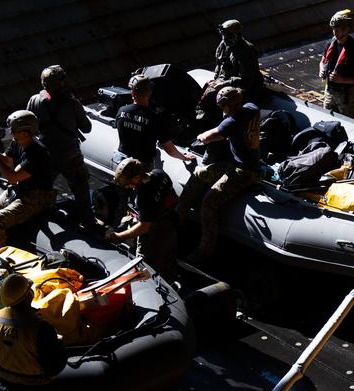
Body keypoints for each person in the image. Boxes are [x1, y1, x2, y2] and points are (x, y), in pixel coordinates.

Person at [177, 87, 259, 263]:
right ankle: (180, 218)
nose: (222, 109)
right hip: (236, 164)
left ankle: (206, 250)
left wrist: (200, 136)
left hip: (243, 171)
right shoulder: (251, 108)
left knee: (209, 202)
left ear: (228, 106)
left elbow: (209, 136)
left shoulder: (232, 122)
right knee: (200, 174)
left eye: (223, 106)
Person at [0, 109, 55, 252]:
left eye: (14, 130)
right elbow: (8, 161)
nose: (11, 133)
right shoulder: (18, 142)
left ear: (25, 133)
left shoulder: (37, 154)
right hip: (19, 190)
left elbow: (12, 177)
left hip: (36, 196)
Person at [26, 65, 95, 227]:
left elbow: (29, 126)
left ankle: (41, 217)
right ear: (61, 82)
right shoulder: (71, 103)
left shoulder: (34, 100)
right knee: (80, 188)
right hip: (70, 154)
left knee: (43, 187)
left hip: (45, 154)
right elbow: (87, 128)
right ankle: (89, 222)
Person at [107, 158, 179, 282]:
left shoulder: (144, 197)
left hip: (153, 230)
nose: (128, 186)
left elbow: (144, 227)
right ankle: (171, 283)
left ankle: (147, 287)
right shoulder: (159, 173)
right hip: (170, 222)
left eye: (129, 182)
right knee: (168, 259)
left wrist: (118, 236)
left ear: (136, 177)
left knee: (143, 265)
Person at [116, 75, 190, 171]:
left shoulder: (121, 110)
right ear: (150, 93)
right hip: (141, 167)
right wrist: (184, 157)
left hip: (121, 163)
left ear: (133, 93)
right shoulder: (155, 119)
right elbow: (169, 149)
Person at [319, 9, 354, 118]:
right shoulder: (330, 44)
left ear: (347, 29)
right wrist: (322, 69)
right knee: (327, 118)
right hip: (330, 92)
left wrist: (343, 80)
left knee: (347, 124)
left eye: (338, 30)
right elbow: (323, 61)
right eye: (333, 30)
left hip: (347, 96)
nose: (335, 33)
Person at [210, 19, 263, 103]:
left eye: (228, 36)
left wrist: (224, 84)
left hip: (244, 84)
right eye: (224, 35)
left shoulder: (246, 51)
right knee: (208, 94)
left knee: (230, 100)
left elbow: (247, 79)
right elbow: (220, 64)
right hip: (227, 78)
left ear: (237, 34)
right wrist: (215, 79)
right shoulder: (223, 45)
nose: (226, 39)